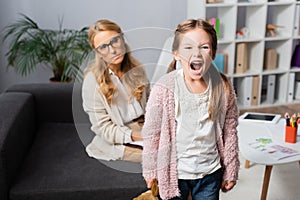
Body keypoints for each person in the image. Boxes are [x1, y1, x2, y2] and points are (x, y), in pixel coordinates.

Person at [142, 19, 240, 200]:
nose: (197, 53)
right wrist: (150, 169)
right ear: (177, 54)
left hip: (210, 173)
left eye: (204, 47)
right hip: (174, 174)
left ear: (213, 52)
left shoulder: (223, 87)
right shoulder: (164, 89)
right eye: (188, 48)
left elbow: (230, 130)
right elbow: (152, 133)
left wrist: (231, 168)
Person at [82, 19, 149, 163]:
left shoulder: (137, 70)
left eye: (115, 41)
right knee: (160, 156)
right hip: (119, 136)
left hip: (145, 126)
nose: (112, 50)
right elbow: (103, 128)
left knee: (181, 145)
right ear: (98, 52)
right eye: (103, 47)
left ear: (122, 39)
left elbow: (150, 106)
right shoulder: (92, 81)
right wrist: (139, 136)